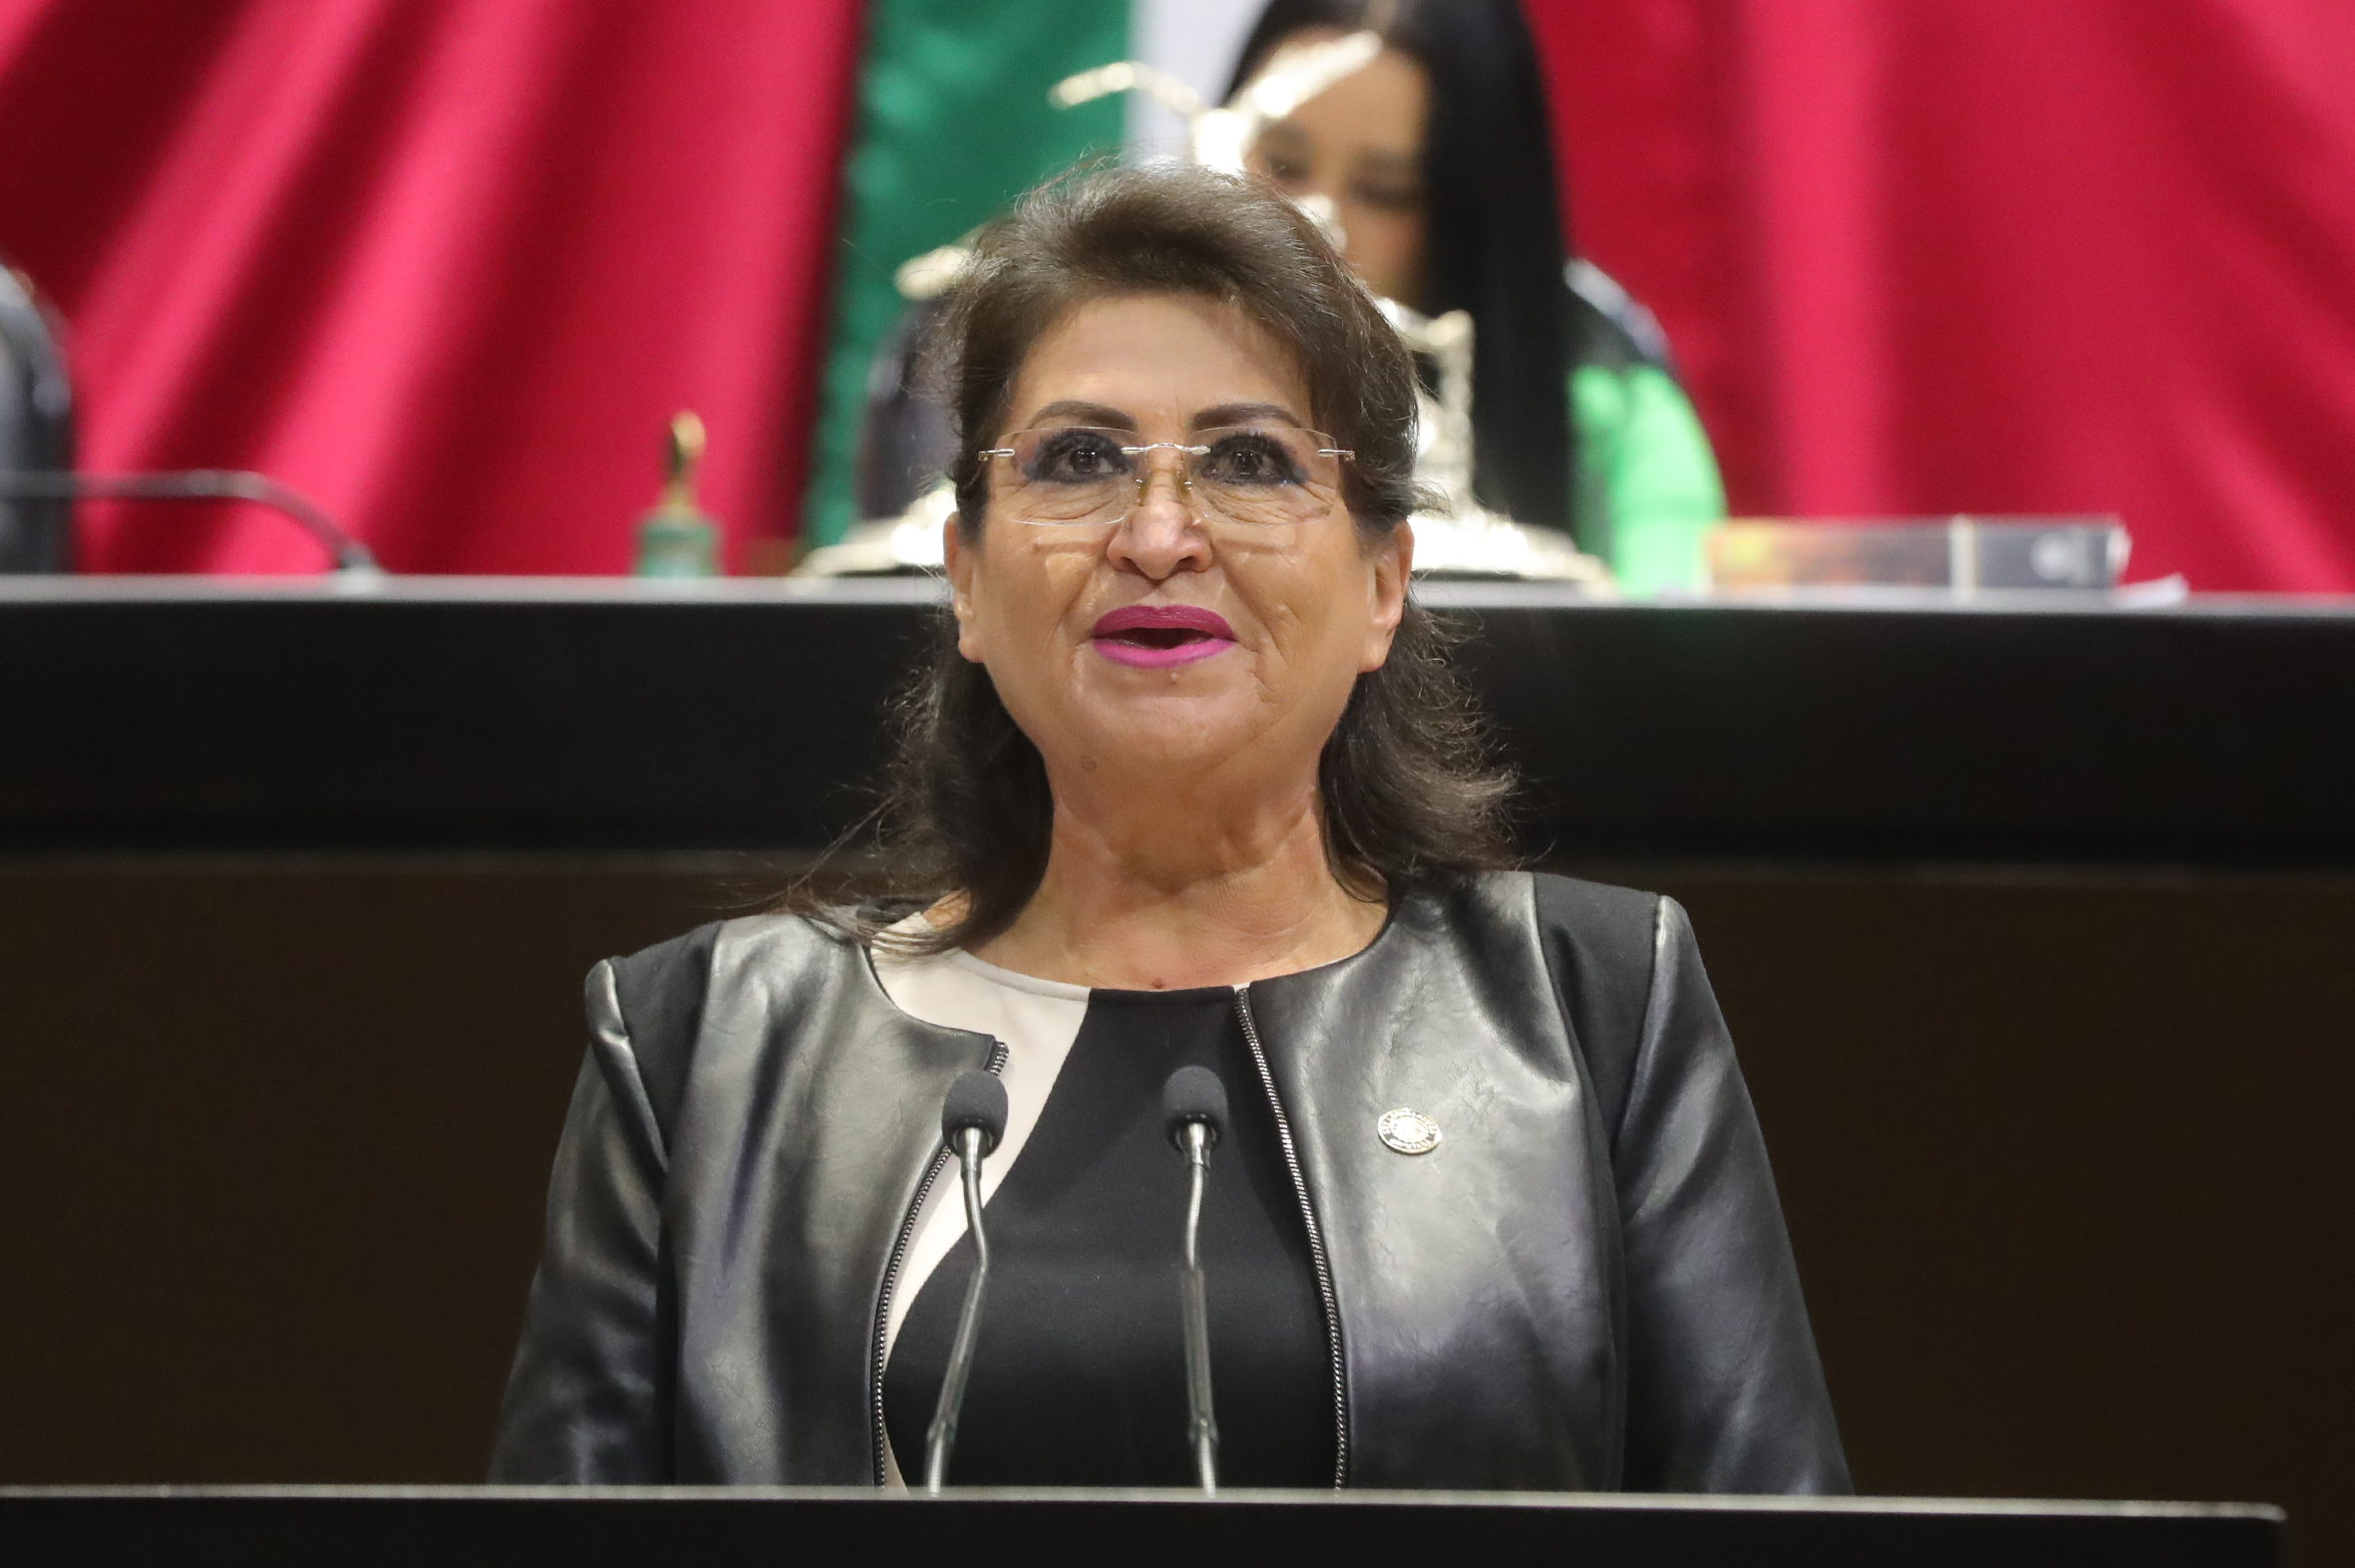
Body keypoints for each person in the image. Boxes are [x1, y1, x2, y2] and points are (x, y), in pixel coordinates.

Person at [490, 163, 1845, 1491]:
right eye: (1077, 459)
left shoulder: (1589, 1016)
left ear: (1382, 585)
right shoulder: (705, 1047)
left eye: (1249, 462)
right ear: (965, 579)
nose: (1156, 534)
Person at [1229, 0, 1726, 593]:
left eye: (1385, 191)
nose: (1315, 221)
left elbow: (1671, 621)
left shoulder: (1608, 402)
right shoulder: (1135, 344)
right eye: (1282, 163)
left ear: (1474, 217)